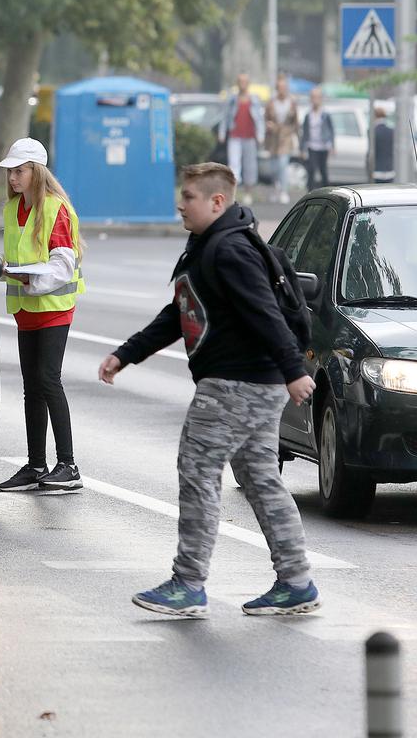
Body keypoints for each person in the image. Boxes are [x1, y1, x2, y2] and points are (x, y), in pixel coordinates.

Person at [97, 162, 319, 619]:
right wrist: (127, 353)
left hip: (237, 384)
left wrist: (294, 370)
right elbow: (178, 312)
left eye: (190, 197)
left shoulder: (230, 251)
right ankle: (296, 582)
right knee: (260, 478)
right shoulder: (208, 247)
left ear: (217, 202)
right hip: (253, 383)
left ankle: (188, 584)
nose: (180, 204)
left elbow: (264, 312)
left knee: (197, 470)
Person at [0, 137, 86, 493]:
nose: (13, 178)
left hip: (53, 308)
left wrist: (26, 277)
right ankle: (35, 466)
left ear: (37, 172)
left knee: (48, 380)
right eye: (10, 171)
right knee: (33, 388)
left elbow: (63, 265)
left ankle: (68, 465)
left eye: (19, 170)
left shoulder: (53, 208)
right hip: (26, 311)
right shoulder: (12, 209)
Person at [219, 73, 264, 201]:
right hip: (235, 136)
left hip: (249, 137)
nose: (242, 84)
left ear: (248, 83)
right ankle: (233, 194)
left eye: (245, 81)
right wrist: (222, 133)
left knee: (250, 165)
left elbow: (259, 119)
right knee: (234, 165)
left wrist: (260, 134)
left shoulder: (254, 99)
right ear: (237, 83)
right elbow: (225, 116)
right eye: (240, 81)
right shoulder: (232, 99)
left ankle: (248, 193)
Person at [263, 74, 301, 203]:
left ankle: (284, 191)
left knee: (283, 165)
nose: (282, 90)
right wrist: (268, 125)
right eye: (280, 87)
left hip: (286, 137)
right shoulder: (271, 103)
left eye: (284, 87)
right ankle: (275, 188)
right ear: (276, 88)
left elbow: (296, 122)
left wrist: (297, 138)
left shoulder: (292, 103)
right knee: (274, 167)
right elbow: (265, 118)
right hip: (273, 139)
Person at [301, 86, 335, 190]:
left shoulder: (325, 114)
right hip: (312, 146)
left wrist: (332, 145)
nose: (315, 100)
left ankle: (326, 193)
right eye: (313, 97)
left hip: (323, 146)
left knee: (323, 170)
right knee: (311, 169)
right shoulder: (308, 115)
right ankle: (310, 192)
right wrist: (302, 148)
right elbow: (305, 132)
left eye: (317, 97)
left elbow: (331, 130)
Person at [372, 105, 396, 184]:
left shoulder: (372, 132)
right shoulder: (391, 131)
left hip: (376, 170)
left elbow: (371, 152)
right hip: (389, 170)